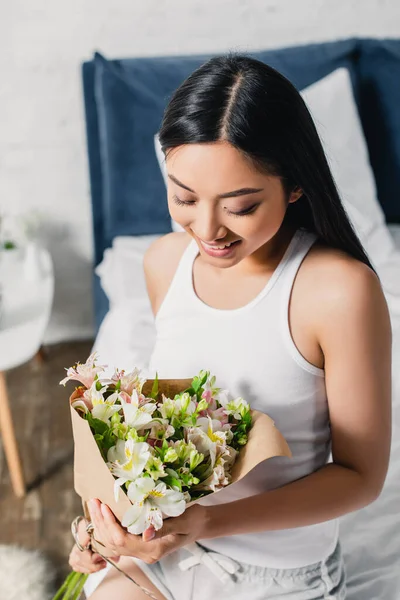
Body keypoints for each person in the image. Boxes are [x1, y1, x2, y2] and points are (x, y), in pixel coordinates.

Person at [69, 54, 392, 599]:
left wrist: (210, 523)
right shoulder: (163, 264)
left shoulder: (340, 291)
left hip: (277, 577)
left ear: (294, 186)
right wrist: (108, 527)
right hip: (165, 557)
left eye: (240, 206)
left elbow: (361, 477)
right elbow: (154, 437)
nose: (208, 229)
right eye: (184, 198)